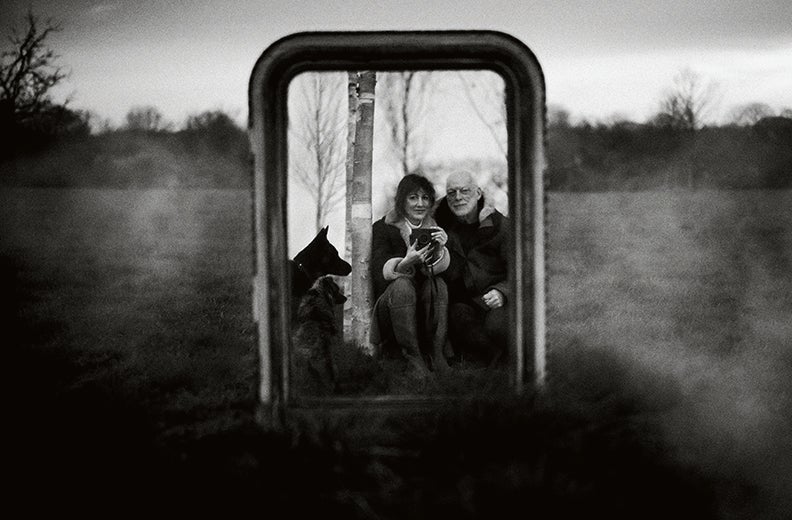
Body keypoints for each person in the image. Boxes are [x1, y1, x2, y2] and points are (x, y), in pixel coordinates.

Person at [370, 174, 451, 377]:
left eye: (425, 198)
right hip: (391, 306)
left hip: (423, 307)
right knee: (403, 285)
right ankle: (413, 358)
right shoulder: (382, 228)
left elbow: (451, 275)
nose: (420, 204)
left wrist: (441, 250)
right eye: (413, 198)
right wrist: (405, 262)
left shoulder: (436, 228)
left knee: (439, 284)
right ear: (402, 200)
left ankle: (436, 354)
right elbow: (379, 274)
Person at [434, 170, 509, 366]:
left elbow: (520, 270)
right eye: (451, 192)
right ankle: (491, 363)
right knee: (458, 316)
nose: (458, 198)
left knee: (497, 326)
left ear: (478, 193)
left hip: (498, 301)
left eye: (464, 191)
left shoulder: (500, 225)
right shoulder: (441, 228)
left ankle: (504, 366)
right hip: (464, 304)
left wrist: (502, 292)